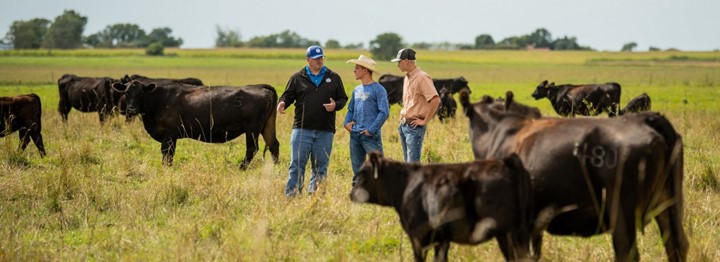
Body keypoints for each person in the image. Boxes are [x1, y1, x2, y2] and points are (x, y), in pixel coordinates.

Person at [277, 45, 348, 197]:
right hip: (302, 129)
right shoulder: (297, 78)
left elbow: (343, 98)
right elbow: (287, 96)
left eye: (321, 58)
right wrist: (282, 103)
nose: (319, 61)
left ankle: (315, 198)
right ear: (308, 59)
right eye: (316, 59)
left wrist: (336, 105)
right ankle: (292, 196)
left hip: (325, 130)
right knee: (296, 164)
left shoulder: (333, 77)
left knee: (320, 167)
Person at [343, 55, 390, 187]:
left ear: (365, 70)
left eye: (357, 68)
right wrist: (346, 123)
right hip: (355, 135)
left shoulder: (378, 89)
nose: (354, 71)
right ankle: (359, 192)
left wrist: (371, 130)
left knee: (378, 166)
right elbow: (351, 109)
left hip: (370, 136)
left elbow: (384, 112)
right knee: (357, 168)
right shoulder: (356, 90)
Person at [391, 48, 440, 163]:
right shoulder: (407, 78)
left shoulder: (422, 77)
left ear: (407, 61)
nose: (398, 65)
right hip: (404, 125)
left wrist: (424, 121)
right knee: (408, 164)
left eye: (399, 61)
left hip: (414, 127)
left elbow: (435, 100)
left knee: (412, 164)